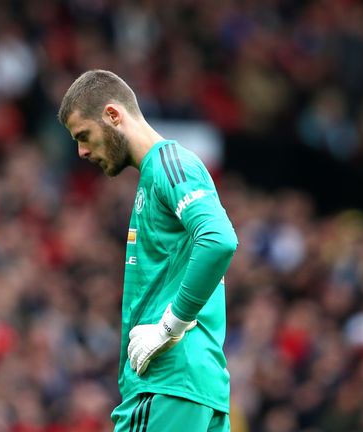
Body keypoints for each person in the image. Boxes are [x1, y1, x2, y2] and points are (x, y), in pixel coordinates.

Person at [58, 70, 238, 432]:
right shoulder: (154, 177)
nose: (81, 151)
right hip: (191, 389)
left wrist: (169, 327)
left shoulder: (171, 164)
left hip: (167, 384)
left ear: (112, 115)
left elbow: (219, 239)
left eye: (84, 136)